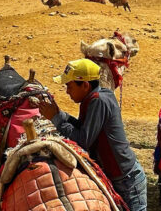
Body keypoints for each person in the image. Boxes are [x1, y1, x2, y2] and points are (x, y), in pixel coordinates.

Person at [38, 58, 147, 211]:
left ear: (85, 85)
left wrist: (56, 118)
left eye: (69, 86)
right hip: (119, 177)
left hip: (126, 181)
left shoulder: (98, 101)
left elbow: (83, 140)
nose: (67, 91)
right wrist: (59, 115)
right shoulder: (93, 98)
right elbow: (82, 129)